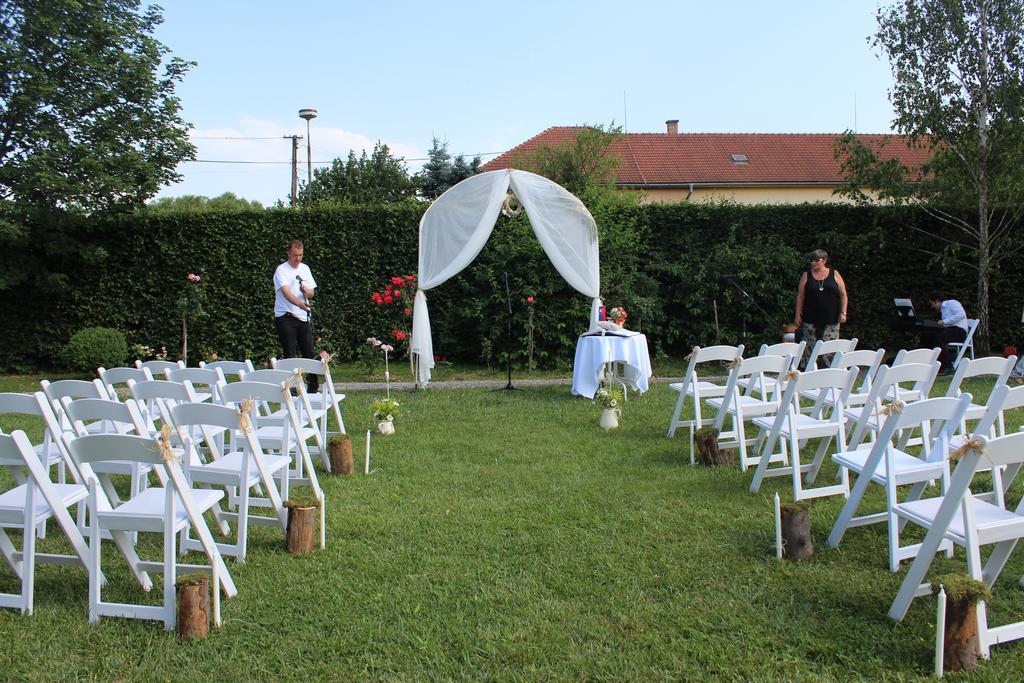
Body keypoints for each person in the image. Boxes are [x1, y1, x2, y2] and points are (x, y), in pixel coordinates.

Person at [274, 239, 319, 393]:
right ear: (288, 253)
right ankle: (291, 390)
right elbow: (286, 293)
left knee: (309, 352)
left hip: (303, 316)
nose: (298, 258)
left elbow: (312, 292)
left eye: (300, 255)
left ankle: (313, 387)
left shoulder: (305, 268)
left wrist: (307, 293)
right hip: (285, 316)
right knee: (290, 352)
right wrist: (299, 304)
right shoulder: (281, 270)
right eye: (295, 255)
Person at [794, 248, 848, 369]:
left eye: (816, 260)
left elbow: (843, 294)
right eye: (811, 260)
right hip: (810, 317)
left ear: (824, 261)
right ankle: (807, 369)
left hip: (831, 317)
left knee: (830, 346)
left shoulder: (835, 274)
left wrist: (843, 312)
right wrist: (797, 315)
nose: (813, 263)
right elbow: (800, 296)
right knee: (809, 346)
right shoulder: (806, 275)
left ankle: (832, 370)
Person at [925, 290, 969, 375]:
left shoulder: (951, 303)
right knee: (928, 336)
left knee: (938, 337)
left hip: (959, 331)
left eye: (932, 304)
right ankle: (929, 363)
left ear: (937, 301)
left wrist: (944, 322)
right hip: (950, 330)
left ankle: (947, 366)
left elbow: (961, 315)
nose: (932, 307)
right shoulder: (943, 310)